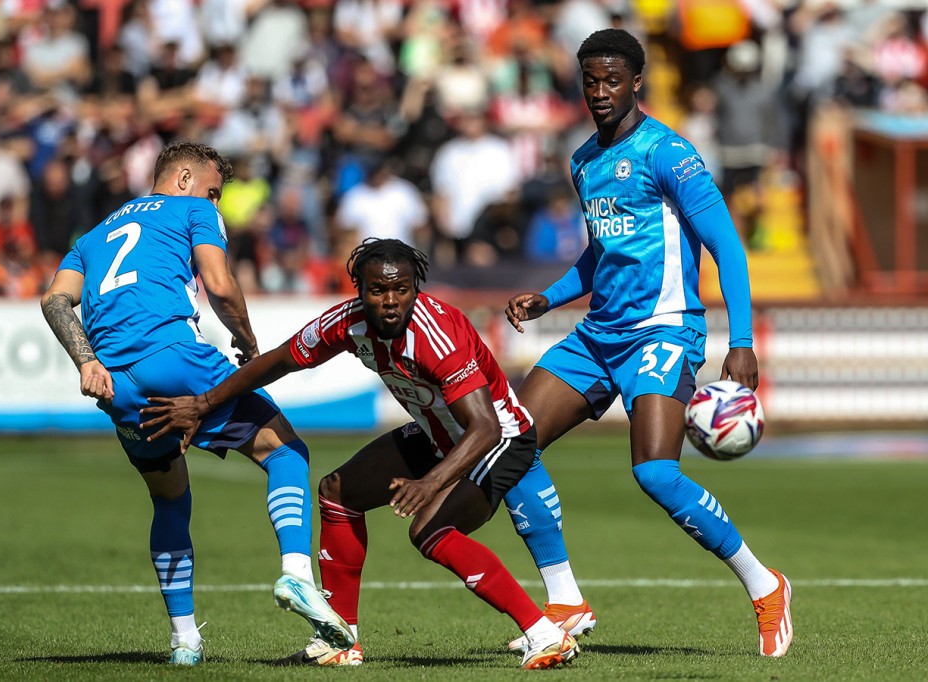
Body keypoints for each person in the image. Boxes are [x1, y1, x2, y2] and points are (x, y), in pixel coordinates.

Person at [139, 238, 581, 670]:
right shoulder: (346, 322)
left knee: (429, 531)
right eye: (378, 290)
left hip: (500, 439)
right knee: (337, 492)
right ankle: (339, 640)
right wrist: (204, 403)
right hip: (435, 434)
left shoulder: (436, 334)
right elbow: (278, 361)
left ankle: (543, 633)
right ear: (360, 290)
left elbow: (484, 428)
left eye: (401, 289)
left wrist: (430, 483)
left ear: (415, 288)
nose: (390, 300)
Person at [504, 29, 793, 657]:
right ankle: (564, 598)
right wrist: (546, 298)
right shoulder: (582, 160)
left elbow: (727, 247)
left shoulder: (670, 152)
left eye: (612, 80)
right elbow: (598, 253)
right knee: (509, 441)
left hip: (663, 331)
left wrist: (740, 342)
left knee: (656, 472)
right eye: (590, 80)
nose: (600, 92)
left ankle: (765, 584)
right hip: (597, 336)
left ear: (638, 81)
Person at [39, 141, 353, 666]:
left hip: (116, 381)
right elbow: (221, 285)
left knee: (169, 497)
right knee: (285, 450)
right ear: (184, 178)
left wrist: (86, 363)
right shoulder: (194, 209)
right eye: (213, 189)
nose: (216, 200)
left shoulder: (93, 235)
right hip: (174, 355)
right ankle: (298, 575)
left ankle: (185, 642)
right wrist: (249, 343)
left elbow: (54, 300)